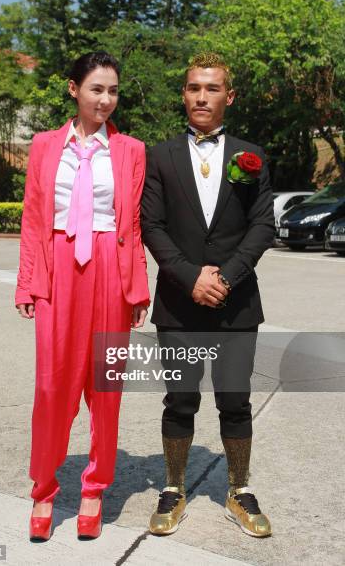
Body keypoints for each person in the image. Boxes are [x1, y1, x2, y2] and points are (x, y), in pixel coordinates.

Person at [15, 51, 150, 541]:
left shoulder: (131, 150)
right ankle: (44, 490)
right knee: (52, 387)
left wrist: (137, 287)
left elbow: (131, 222)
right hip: (58, 267)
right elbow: (33, 218)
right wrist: (28, 279)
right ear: (74, 90)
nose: (106, 100)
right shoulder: (45, 145)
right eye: (97, 89)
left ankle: (94, 488)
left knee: (106, 385)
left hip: (111, 272)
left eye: (113, 90)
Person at [141, 52, 275, 538]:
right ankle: (174, 488)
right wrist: (190, 277)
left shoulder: (251, 155)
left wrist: (226, 277)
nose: (202, 96)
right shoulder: (158, 156)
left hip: (237, 304)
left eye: (212, 88)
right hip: (178, 304)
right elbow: (151, 225)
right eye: (194, 87)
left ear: (229, 96)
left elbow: (263, 225)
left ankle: (239, 491)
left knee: (235, 401)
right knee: (180, 401)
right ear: (184, 93)